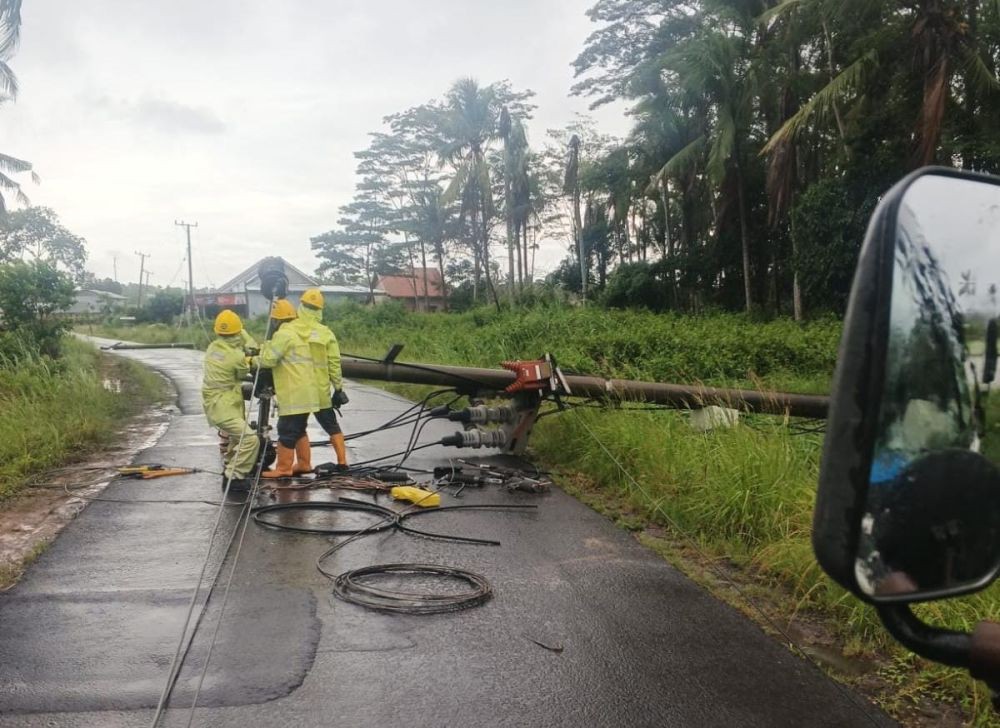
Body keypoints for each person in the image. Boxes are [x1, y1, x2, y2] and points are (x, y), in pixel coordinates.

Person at [255, 298, 324, 478]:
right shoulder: (300, 332)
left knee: (286, 428)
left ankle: (283, 468)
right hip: (307, 390)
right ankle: (303, 464)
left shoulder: (283, 334)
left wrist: (251, 360)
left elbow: (269, 359)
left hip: (294, 392)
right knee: (299, 428)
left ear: (276, 320)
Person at [202, 309, 260, 493]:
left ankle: (229, 466)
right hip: (224, 406)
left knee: (237, 438)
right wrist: (252, 358)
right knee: (250, 439)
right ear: (238, 332)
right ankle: (234, 477)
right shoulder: (236, 356)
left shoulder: (213, 348)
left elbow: (234, 340)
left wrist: (238, 333)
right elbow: (243, 371)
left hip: (217, 402)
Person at [297, 288, 350, 470]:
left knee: (297, 426)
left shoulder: (290, 330)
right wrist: (339, 388)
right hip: (320, 390)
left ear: (301, 305)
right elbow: (334, 363)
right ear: (320, 310)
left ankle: (303, 464)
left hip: (298, 389)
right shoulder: (326, 333)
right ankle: (342, 463)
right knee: (331, 424)